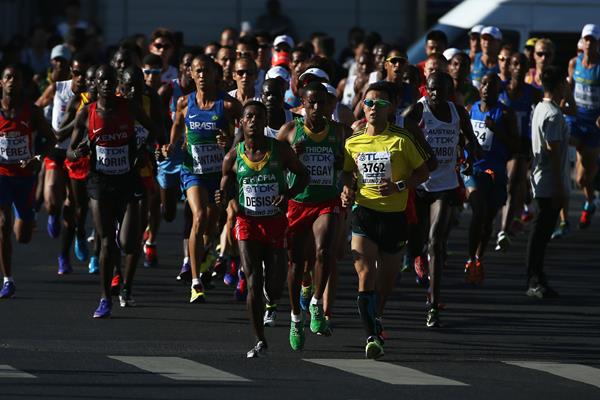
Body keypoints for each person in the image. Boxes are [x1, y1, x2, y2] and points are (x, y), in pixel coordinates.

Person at [341, 82, 429, 359]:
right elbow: (345, 173)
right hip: (364, 213)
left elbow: (424, 172)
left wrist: (399, 186)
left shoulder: (401, 139)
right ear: (362, 107)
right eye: (368, 103)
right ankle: (371, 336)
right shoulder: (352, 141)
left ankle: (376, 316)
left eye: (380, 104)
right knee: (366, 273)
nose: (373, 108)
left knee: (387, 281)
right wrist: (346, 188)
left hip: (394, 218)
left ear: (390, 108)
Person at [216, 100, 308, 358]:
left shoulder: (280, 150)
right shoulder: (232, 157)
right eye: (249, 116)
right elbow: (225, 186)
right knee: (253, 279)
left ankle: (272, 301)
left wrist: (288, 194)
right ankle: (259, 339)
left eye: (259, 116)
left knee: (275, 284)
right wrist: (223, 199)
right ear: (241, 123)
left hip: (275, 223)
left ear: (266, 121)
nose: (254, 120)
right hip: (248, 223)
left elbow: (303, 176)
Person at [67, 64, 159, 317]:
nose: (106, 84)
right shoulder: (87, 113)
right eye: (101, 80)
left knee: (129, 243)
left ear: (116, 83)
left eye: (110, 80)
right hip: (100, 183)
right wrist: (78, 152)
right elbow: (70, 150)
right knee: (107, 242)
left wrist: (143, 151)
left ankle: (125, 285)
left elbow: (154, 129)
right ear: (95, 84)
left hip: (128, 181)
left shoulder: (128, 107)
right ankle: (105, 298)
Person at [404, 72, 479, 327]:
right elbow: (402, 127)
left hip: (445, 185)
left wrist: (469, 155)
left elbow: (472, 141)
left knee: (436, 242)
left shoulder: (458, 112)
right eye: (431, 90)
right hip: (420, 184)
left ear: (449, 91)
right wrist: (420, 150)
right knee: (417, 242)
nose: (434, 94)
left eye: (439, 90)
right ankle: (417, 256)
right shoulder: (418, 110)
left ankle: (434, 304)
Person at [168, 54, 241, 303]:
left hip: (218, 174)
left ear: (215, 74)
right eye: (197, 71)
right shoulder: (184, 103)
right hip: (193, 171)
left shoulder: (228, 105)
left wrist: (229, 142)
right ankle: (196, 281)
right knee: (198, 216)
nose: (201, 76)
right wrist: (171, 144)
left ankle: (206, 252)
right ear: (191, 73)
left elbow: (243, 132)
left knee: (211, 223)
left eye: (205, 71)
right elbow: (177, 125)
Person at [277, 81, 345, 348]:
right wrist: (290, 157)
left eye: (322, 103)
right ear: (302, 105)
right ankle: (295, 318)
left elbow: (351, 162)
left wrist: (343, 164)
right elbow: (273, 164)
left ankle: (316, 304)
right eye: (311, 103)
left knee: (324, 250)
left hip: (326, 200)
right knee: (295, 264)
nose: (317, 108)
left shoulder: (339, 132)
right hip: (297, 203)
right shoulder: (290, 131)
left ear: (329, 105)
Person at [0, 64, 57, 299]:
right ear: (1, 83)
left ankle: (27, 216)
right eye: (8, 77)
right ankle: (8, 280)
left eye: (17, 77)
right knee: (3, 224)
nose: (12, 81)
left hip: (24, 177)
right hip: (2, 175)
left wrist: (38, 158)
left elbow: (51, 139)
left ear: (22, 83)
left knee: (22, 236)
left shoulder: (31, 111)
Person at [464, 73, 518, 284]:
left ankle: (479, 257)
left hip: (495, 172)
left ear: (499, 89)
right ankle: (470, 258)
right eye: (484, 84)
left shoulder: (505, 113)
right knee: (479, 211)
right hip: (474, 171)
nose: (487, 88)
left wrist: (497, 131)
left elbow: (515, 146)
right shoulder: (470, 110)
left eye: (492, 85)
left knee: (487, 221)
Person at [526, 66, 570, 298]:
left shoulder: (542, 109)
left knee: (541, 232)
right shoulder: (552, 115)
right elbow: (553, 151)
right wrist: (560, 187)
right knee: (541, 233)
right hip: (548, 182)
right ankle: (534, 279)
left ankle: (537, 277)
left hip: (541, 179)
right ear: (560, 85)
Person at [496, 53, 542, 251]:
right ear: (509, 66)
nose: (517, 68)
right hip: (501, 142)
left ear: (526, 68)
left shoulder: (533, 92)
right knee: (510, 185)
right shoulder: (500, 89)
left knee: (513, 182)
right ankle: (513, 217)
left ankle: (503, 230)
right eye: (514, 63)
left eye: (522, 64)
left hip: (522, 144)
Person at [567, 24, 600, 229]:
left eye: (593, 40)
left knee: (582, 176)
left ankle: (590, 202)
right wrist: (563, 103)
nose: (589, 43)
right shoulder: (574, 63)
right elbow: (568, 88)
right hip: (577, 119)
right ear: (582, 41)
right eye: (586, 39)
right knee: (564, 142)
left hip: (594, 123)